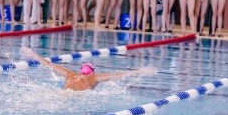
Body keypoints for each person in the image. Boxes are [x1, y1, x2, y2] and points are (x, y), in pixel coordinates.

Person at [21, 47, 154, 91]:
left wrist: (32, 54)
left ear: (80, 71)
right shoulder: (94, 78)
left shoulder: (69, 73)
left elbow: (49, 64)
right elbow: (118, 75)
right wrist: (141, 71)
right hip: (77, 97)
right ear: (93, 71)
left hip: (61, 93)